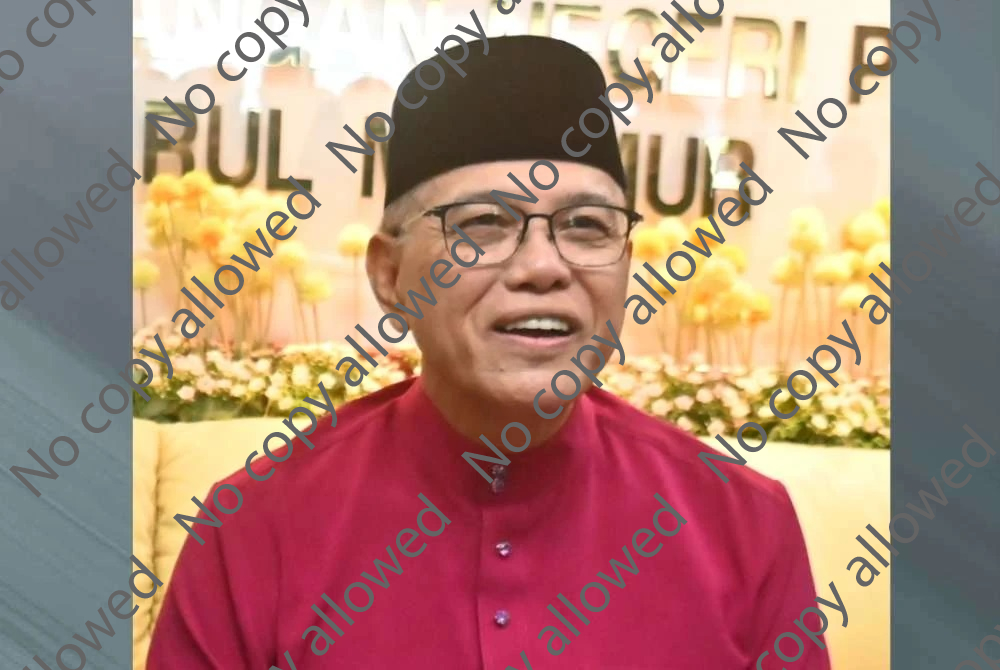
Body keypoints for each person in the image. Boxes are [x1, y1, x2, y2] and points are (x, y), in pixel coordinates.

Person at [147, 35, 831, 670]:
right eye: (483, 224)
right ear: (389, 274)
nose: (543, 267)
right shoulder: (257, 526)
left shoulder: (742, 524)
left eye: (586, 226)